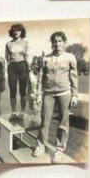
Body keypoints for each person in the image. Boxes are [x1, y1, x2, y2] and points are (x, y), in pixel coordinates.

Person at [33, 31, 80, 162]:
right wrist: (39, 94)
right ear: (52, 43)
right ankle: (41, 145)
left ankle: (59, 150)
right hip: (48, 93)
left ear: (64, 43)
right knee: (45, 120)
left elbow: (74, 77)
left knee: (63, 122)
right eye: (55, 41)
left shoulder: (70, 57)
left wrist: (75, 95)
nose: (57, 44)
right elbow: (41, 77)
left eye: (60, 41)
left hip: (64, 92)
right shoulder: (46, 58)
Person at [5, 25, 30, 124]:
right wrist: (7, 68)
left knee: (23, 90)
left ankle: (22, 112)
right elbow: (6, 57)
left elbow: (28, 56)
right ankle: (14, 112)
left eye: (18, 31)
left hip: (22, 65)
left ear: (21, 32)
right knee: (12, 89)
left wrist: (29, 67)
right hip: (12, 67)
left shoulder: (25, 43)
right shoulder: (8, 44)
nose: (16, 32)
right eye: (14, 31)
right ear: (12, 32)